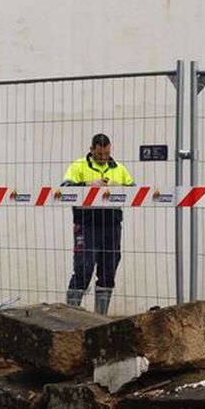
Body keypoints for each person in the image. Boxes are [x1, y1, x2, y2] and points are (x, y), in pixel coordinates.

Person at [62, 133, 133, 315]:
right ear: (91, 149)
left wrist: (120, 188)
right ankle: (72, 317)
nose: (103, 158)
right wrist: (87, 184)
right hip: (87, 225)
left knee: (109, 271)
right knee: (83, 269)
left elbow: (135, 191)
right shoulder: (78, 166)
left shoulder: (119, 168)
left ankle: (99, 319)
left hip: (112, 226)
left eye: (106, 154)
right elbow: (64, 188)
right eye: (99, 154)